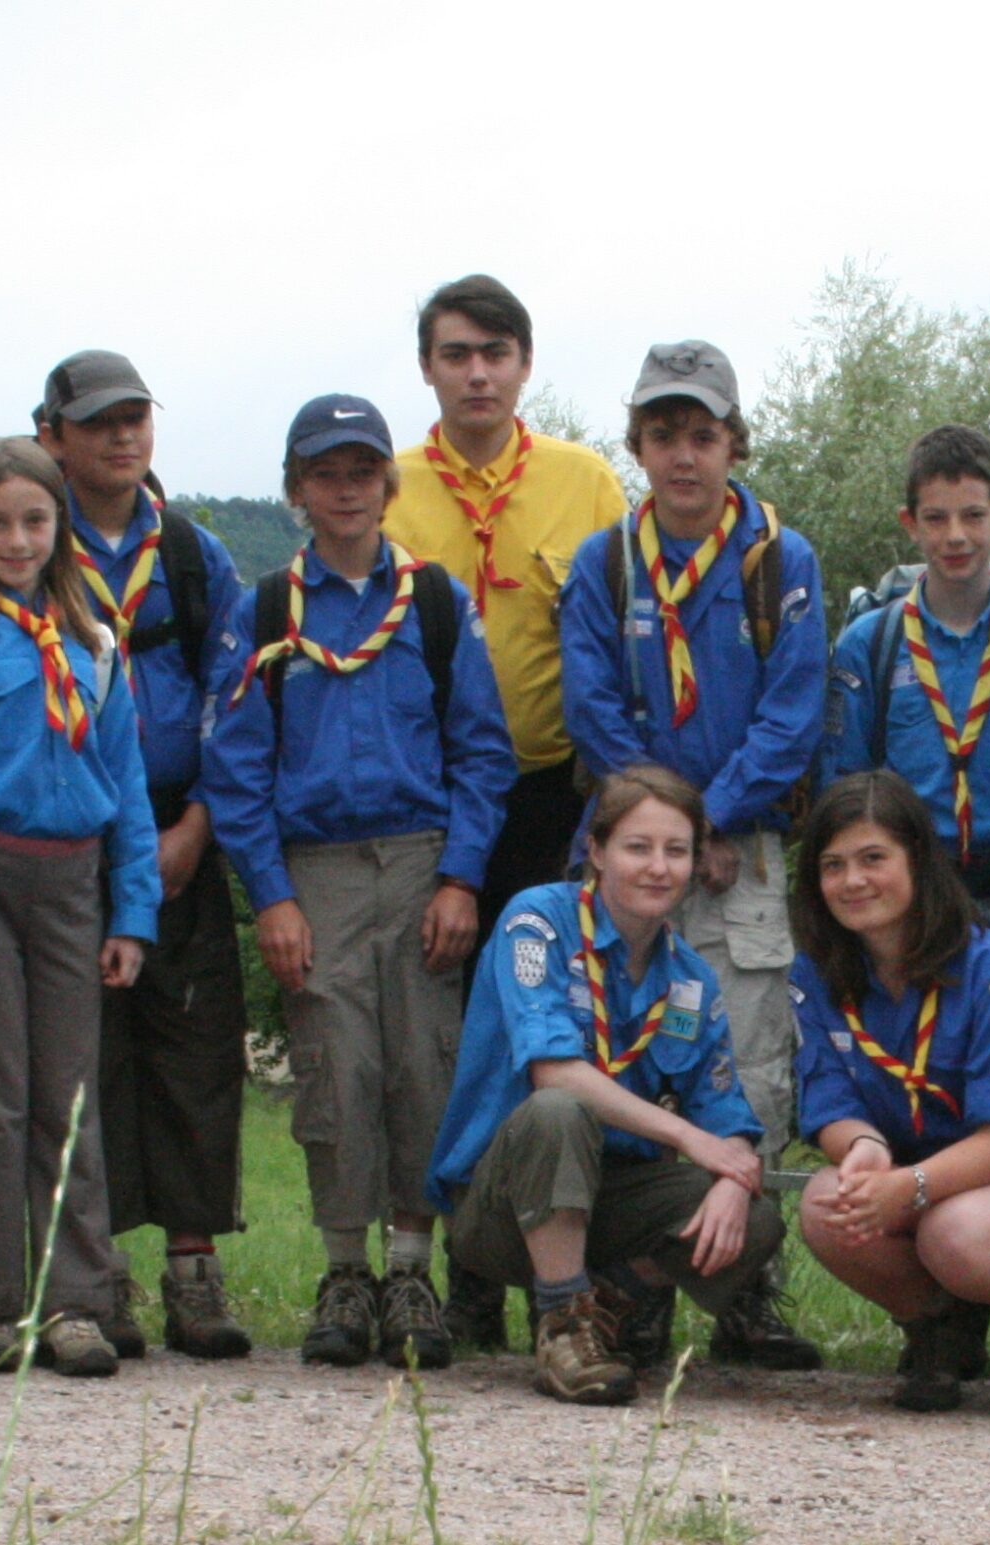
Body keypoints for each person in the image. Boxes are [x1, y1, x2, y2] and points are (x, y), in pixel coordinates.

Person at [203, 394, 517, 1371]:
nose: (346, 489)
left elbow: (483, 752)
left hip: (422, 858)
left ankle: (412, 1269)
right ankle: (344, 1271)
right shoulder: (263, 611)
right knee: (336, 1067)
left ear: (389, 484)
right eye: (325, 472)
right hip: (317, 870)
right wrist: (273, 896)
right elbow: (236, 769)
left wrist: (463, 878)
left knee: (424, 1063)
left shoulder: (432, 602)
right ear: (296, 489)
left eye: (362, 471)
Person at [559, 340, 824, 1371]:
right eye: (662, 434)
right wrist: (667, 830)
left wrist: (714, 819)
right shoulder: (604, 563)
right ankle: (633, 1287)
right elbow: (592, 704)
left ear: (733, 441)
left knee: (750, 1059)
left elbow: (792, 709)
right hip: (633, 848)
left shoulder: (777, 561)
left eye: (701, 435)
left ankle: (745, 1291)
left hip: (742, 852)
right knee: (626, 1054)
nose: (682, 455)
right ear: (635, 444)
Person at [379, 273, 629, 1349]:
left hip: (555, 793)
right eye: (453, 353)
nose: (475, 372)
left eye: (495, 352)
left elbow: (623, 630)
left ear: (525, 364)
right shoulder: (382, 485)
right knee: (440, 1034)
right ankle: (449, 1266)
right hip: (430, 798)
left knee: (546, 1025)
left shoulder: (584, 481)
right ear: (426, 367)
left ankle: (548, 1264)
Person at [0, 435, 160, 1378]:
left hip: (73, 884)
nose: (17, 539)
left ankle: (78, 1300)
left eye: (35, 520)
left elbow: (126, 783)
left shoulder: (93, 645)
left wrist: (133, 910)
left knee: (71, 1097)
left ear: (61, 528)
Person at [424, 766, 794, 1406]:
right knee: (560, 1108)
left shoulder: (691, 978)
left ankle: (611, 1302)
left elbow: (725, 1110)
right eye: (637, 847)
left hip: (612, 1195)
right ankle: (565, 1325)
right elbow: (553, 1071)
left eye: (676, 851)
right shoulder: (537, 922)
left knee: (756, 1218)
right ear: (595, 852)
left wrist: (733, 1175)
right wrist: (691, 1139)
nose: (659, 867)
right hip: (506, 1199)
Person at [34, 349, 253, 1360]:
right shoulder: (30, 545)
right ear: (53, 437)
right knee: (90, 1053)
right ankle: (101, 1273)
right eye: (97, 422)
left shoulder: (194, 556)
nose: (122, 436)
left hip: (178, 830)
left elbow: (236, 702)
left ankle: (195, 1276)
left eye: (134, 418)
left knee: (196, 1053)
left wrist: (200, 824)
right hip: (69, 830)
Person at [790, 772, 990, 1418]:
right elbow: (826, 1092)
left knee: (955, 1233)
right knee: (825, 1203)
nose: (853, 880)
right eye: (833, 864)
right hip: (918, 1163)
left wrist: (904, 1187)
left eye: (873, 857)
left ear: (919, 859)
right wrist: (864, 1149)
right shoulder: (819, 970)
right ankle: (945, 1326)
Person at [822, 425, 990, 1005]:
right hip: (907, 899)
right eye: (935, 519)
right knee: (910, 1070)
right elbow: (844, 783)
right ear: (909, 524)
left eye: (973, 516)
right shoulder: (869, 643)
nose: (955, 536)